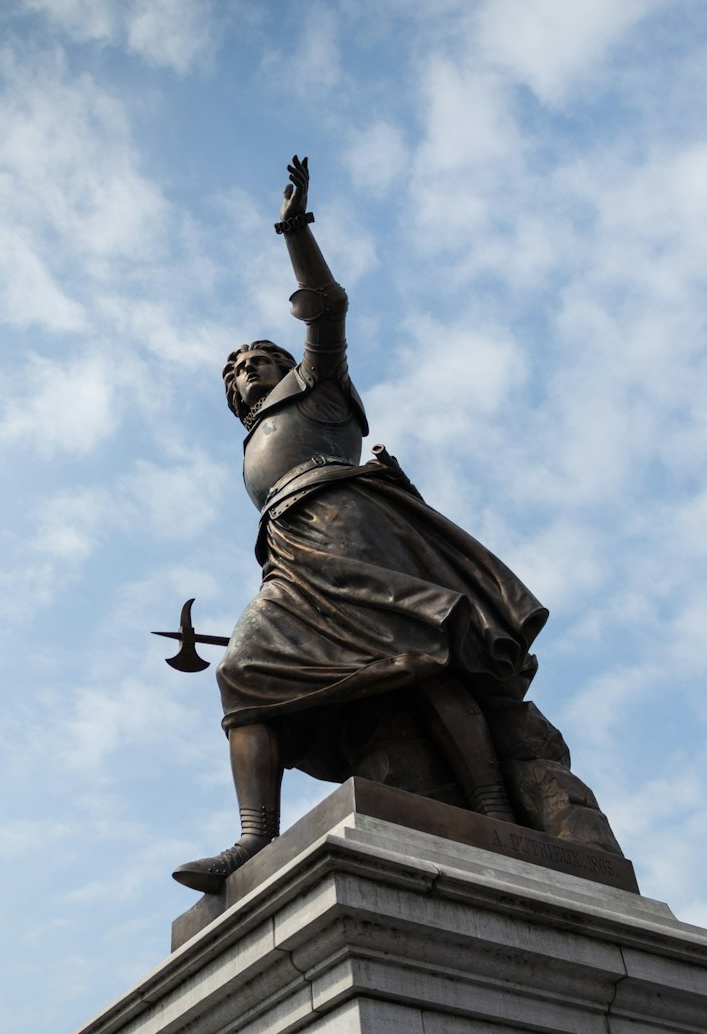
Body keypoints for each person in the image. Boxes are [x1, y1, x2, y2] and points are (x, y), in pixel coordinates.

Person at [173, 157, 620, 894]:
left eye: (254, 361)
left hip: (351, 523)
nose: (242, 374)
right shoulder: (253, 440)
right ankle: (255, 839)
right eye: (232, 374)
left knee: (419, 655)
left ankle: (493, 805)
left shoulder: (317, 386)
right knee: (241, 670)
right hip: (288, 554)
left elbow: (328, 307)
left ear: (285, 365)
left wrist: (294, 232)